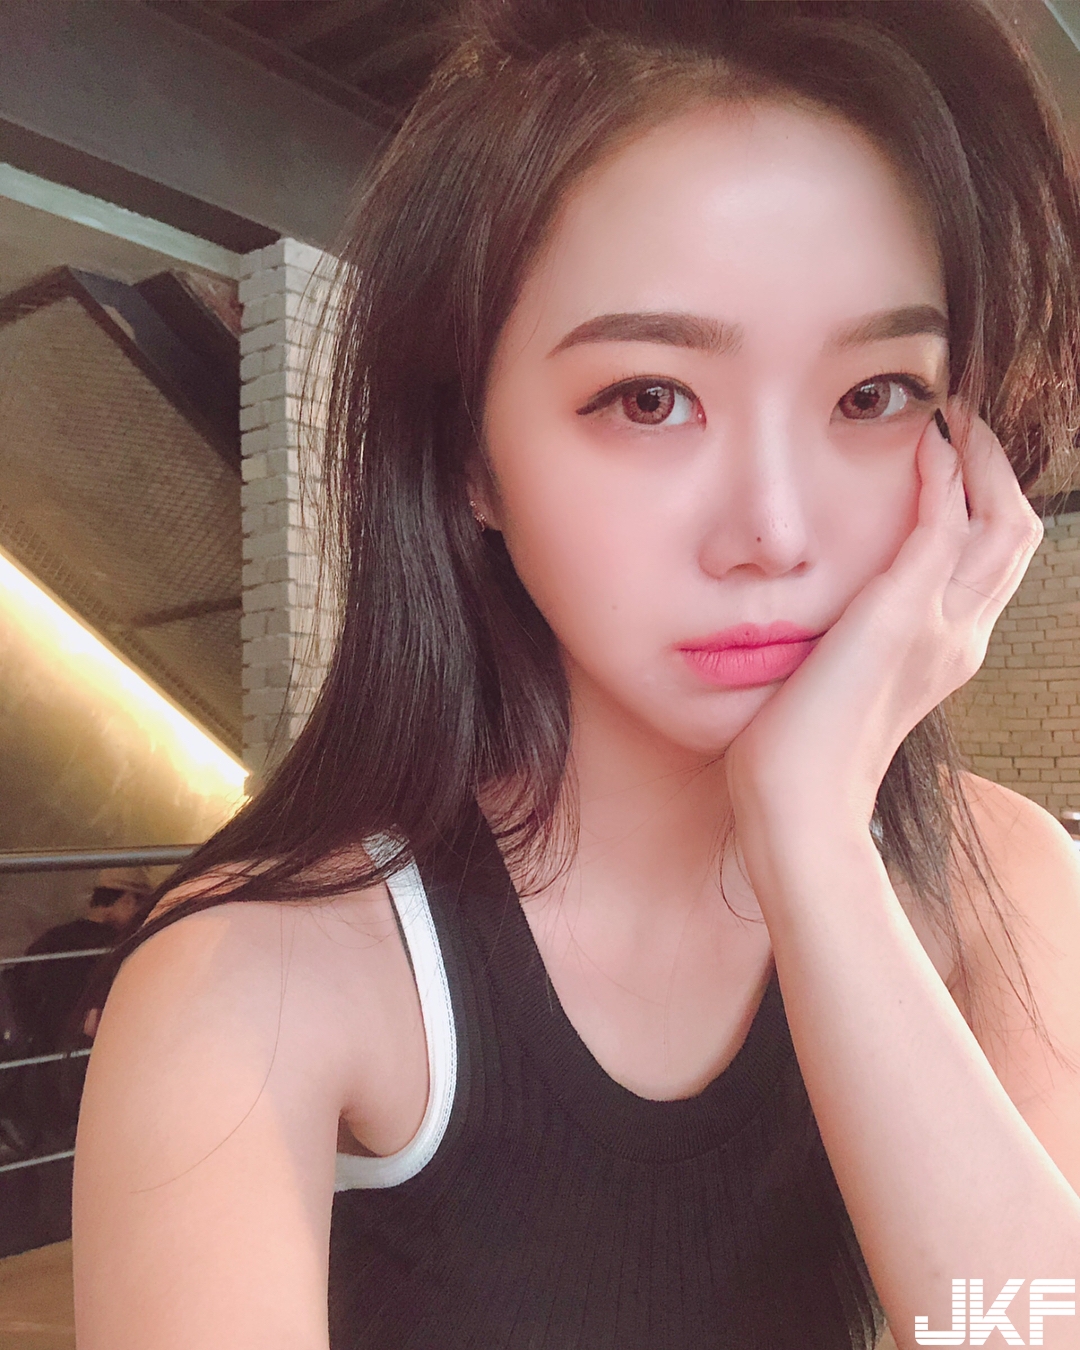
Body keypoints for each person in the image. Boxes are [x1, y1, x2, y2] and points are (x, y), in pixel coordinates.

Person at [73, 3, 1080, 1347]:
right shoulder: (255, 977)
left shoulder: (1006, 885)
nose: (774, 532)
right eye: (649, 398)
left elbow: (1023, 1330)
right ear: (470, 458)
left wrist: (811, 840)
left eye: (874, 395)